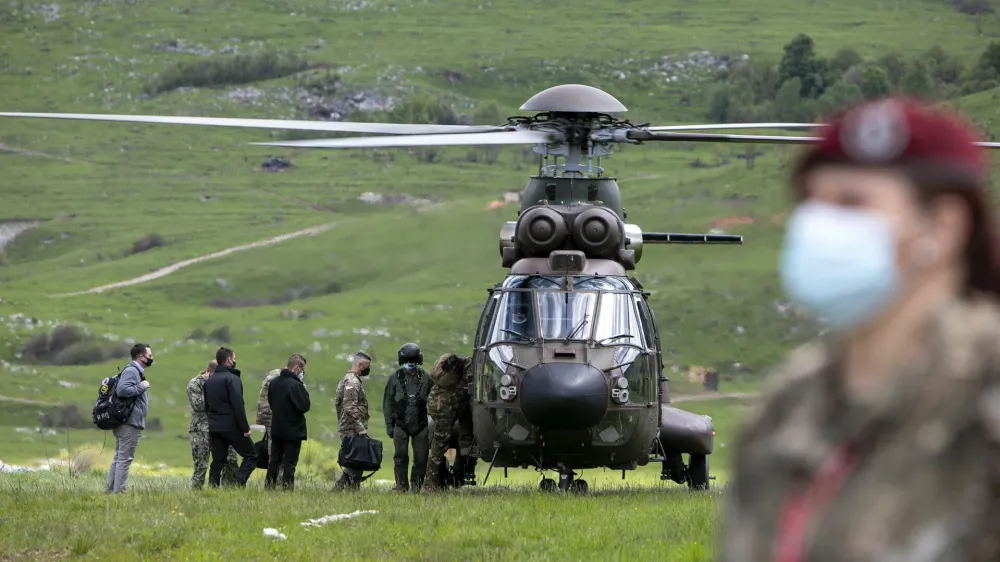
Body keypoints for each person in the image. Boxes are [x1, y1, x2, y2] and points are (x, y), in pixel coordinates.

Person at [719, 97, 1000, 562]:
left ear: (943, 228)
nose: (819, 225)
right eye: (811, 202)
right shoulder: (787, 407)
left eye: (852, 202)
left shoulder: (984, 392)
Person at [204, 347, 257, 487]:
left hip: (214, 426)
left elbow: (206, 406)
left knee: (218, 460)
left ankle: (212, 488)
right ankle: (238, 483)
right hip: (231, 426)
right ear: (229, 360)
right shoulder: (232, 379)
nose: (235, 361)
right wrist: (245, 428)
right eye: (234, 358)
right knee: (252, 455)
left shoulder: (209, 381)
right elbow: (238, 405)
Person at [383, 343, 433, 492]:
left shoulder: (426, 378)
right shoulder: (394, 378)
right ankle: (401, 486)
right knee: (400, 457)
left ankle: (417, 487)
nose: (410, 364)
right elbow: (388, 402)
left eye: (413, 360)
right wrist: (389, 425)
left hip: (421, 425)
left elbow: (434, 399)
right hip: (400, 425)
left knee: (421, 458)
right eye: (407, 360)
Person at [106, 343, 153, 493]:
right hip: (129, 422)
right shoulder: (132, 371)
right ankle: (119, 492)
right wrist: (142, 386)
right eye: (149, 356)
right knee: (124, 459)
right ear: (141, 357)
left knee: (119, 457)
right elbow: (122, 390)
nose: (151, 358)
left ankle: (111, 489)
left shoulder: (133, 371)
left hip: (126, 421)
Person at [423, 353, 474, 492]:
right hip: (444, 408)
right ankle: (429, 485)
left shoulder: (456, 367)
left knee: (440, 445)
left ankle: (465, 442)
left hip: (444, 405)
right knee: (439, 446)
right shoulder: (464, 367)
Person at [187, 359, 240, 489]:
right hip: (201, 429)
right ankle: (197, 492)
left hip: (221, 426)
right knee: (201, 464)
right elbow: (198, 405)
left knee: (231, 460)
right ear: (209, 371)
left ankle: (229, 490)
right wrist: (215, 393)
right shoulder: (196, 383)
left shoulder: (224, 382)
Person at [256, 354, 306, 483]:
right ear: (296, 368)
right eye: (301, 368)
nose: (302, 372)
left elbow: (268, 399)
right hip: (285, 424)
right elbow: (303, 405)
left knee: (275, 457)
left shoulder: (276, 379)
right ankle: (283, 485)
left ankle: (271, 484)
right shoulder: (291, 382)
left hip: (276, 422)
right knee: (285, 458)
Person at [334, 351, 372, 490]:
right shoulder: (352, 382)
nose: (368, 369)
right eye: (367, 366)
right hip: (351, 428)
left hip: (351, 426)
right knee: (354, 462)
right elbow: (350, 408)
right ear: (360, 364)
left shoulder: (349, 379)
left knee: (357, 461)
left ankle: (353, 491)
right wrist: (360, 428)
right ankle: (338, 488)